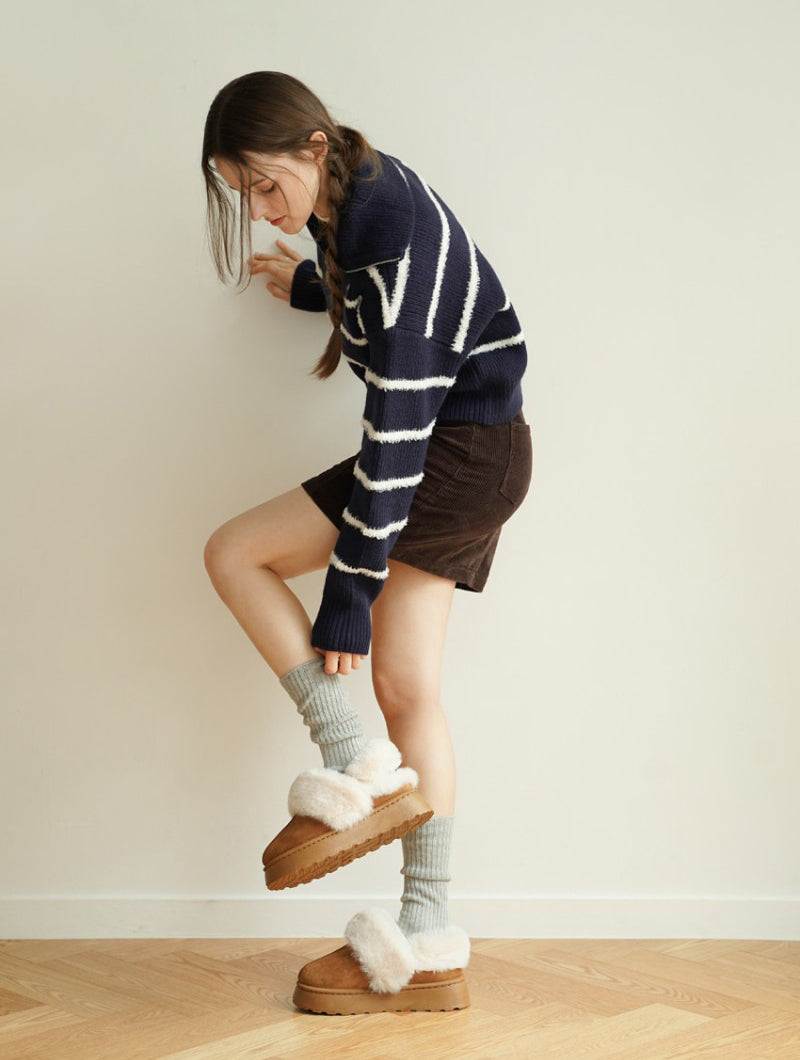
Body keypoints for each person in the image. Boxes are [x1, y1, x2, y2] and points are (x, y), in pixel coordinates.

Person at [200, 71, 532, 1015]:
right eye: (241, 193)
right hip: (476, 448)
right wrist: (315, 284)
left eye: (266, 185)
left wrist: (351, 589)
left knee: (236, 553)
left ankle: (353, 759)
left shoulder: (390, 231)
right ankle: (428, 944)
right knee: (408, 689)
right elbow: (394, 316)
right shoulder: (357, 186)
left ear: (313, 146)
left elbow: (397, 432)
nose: (262, 210)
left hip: (451, 455)